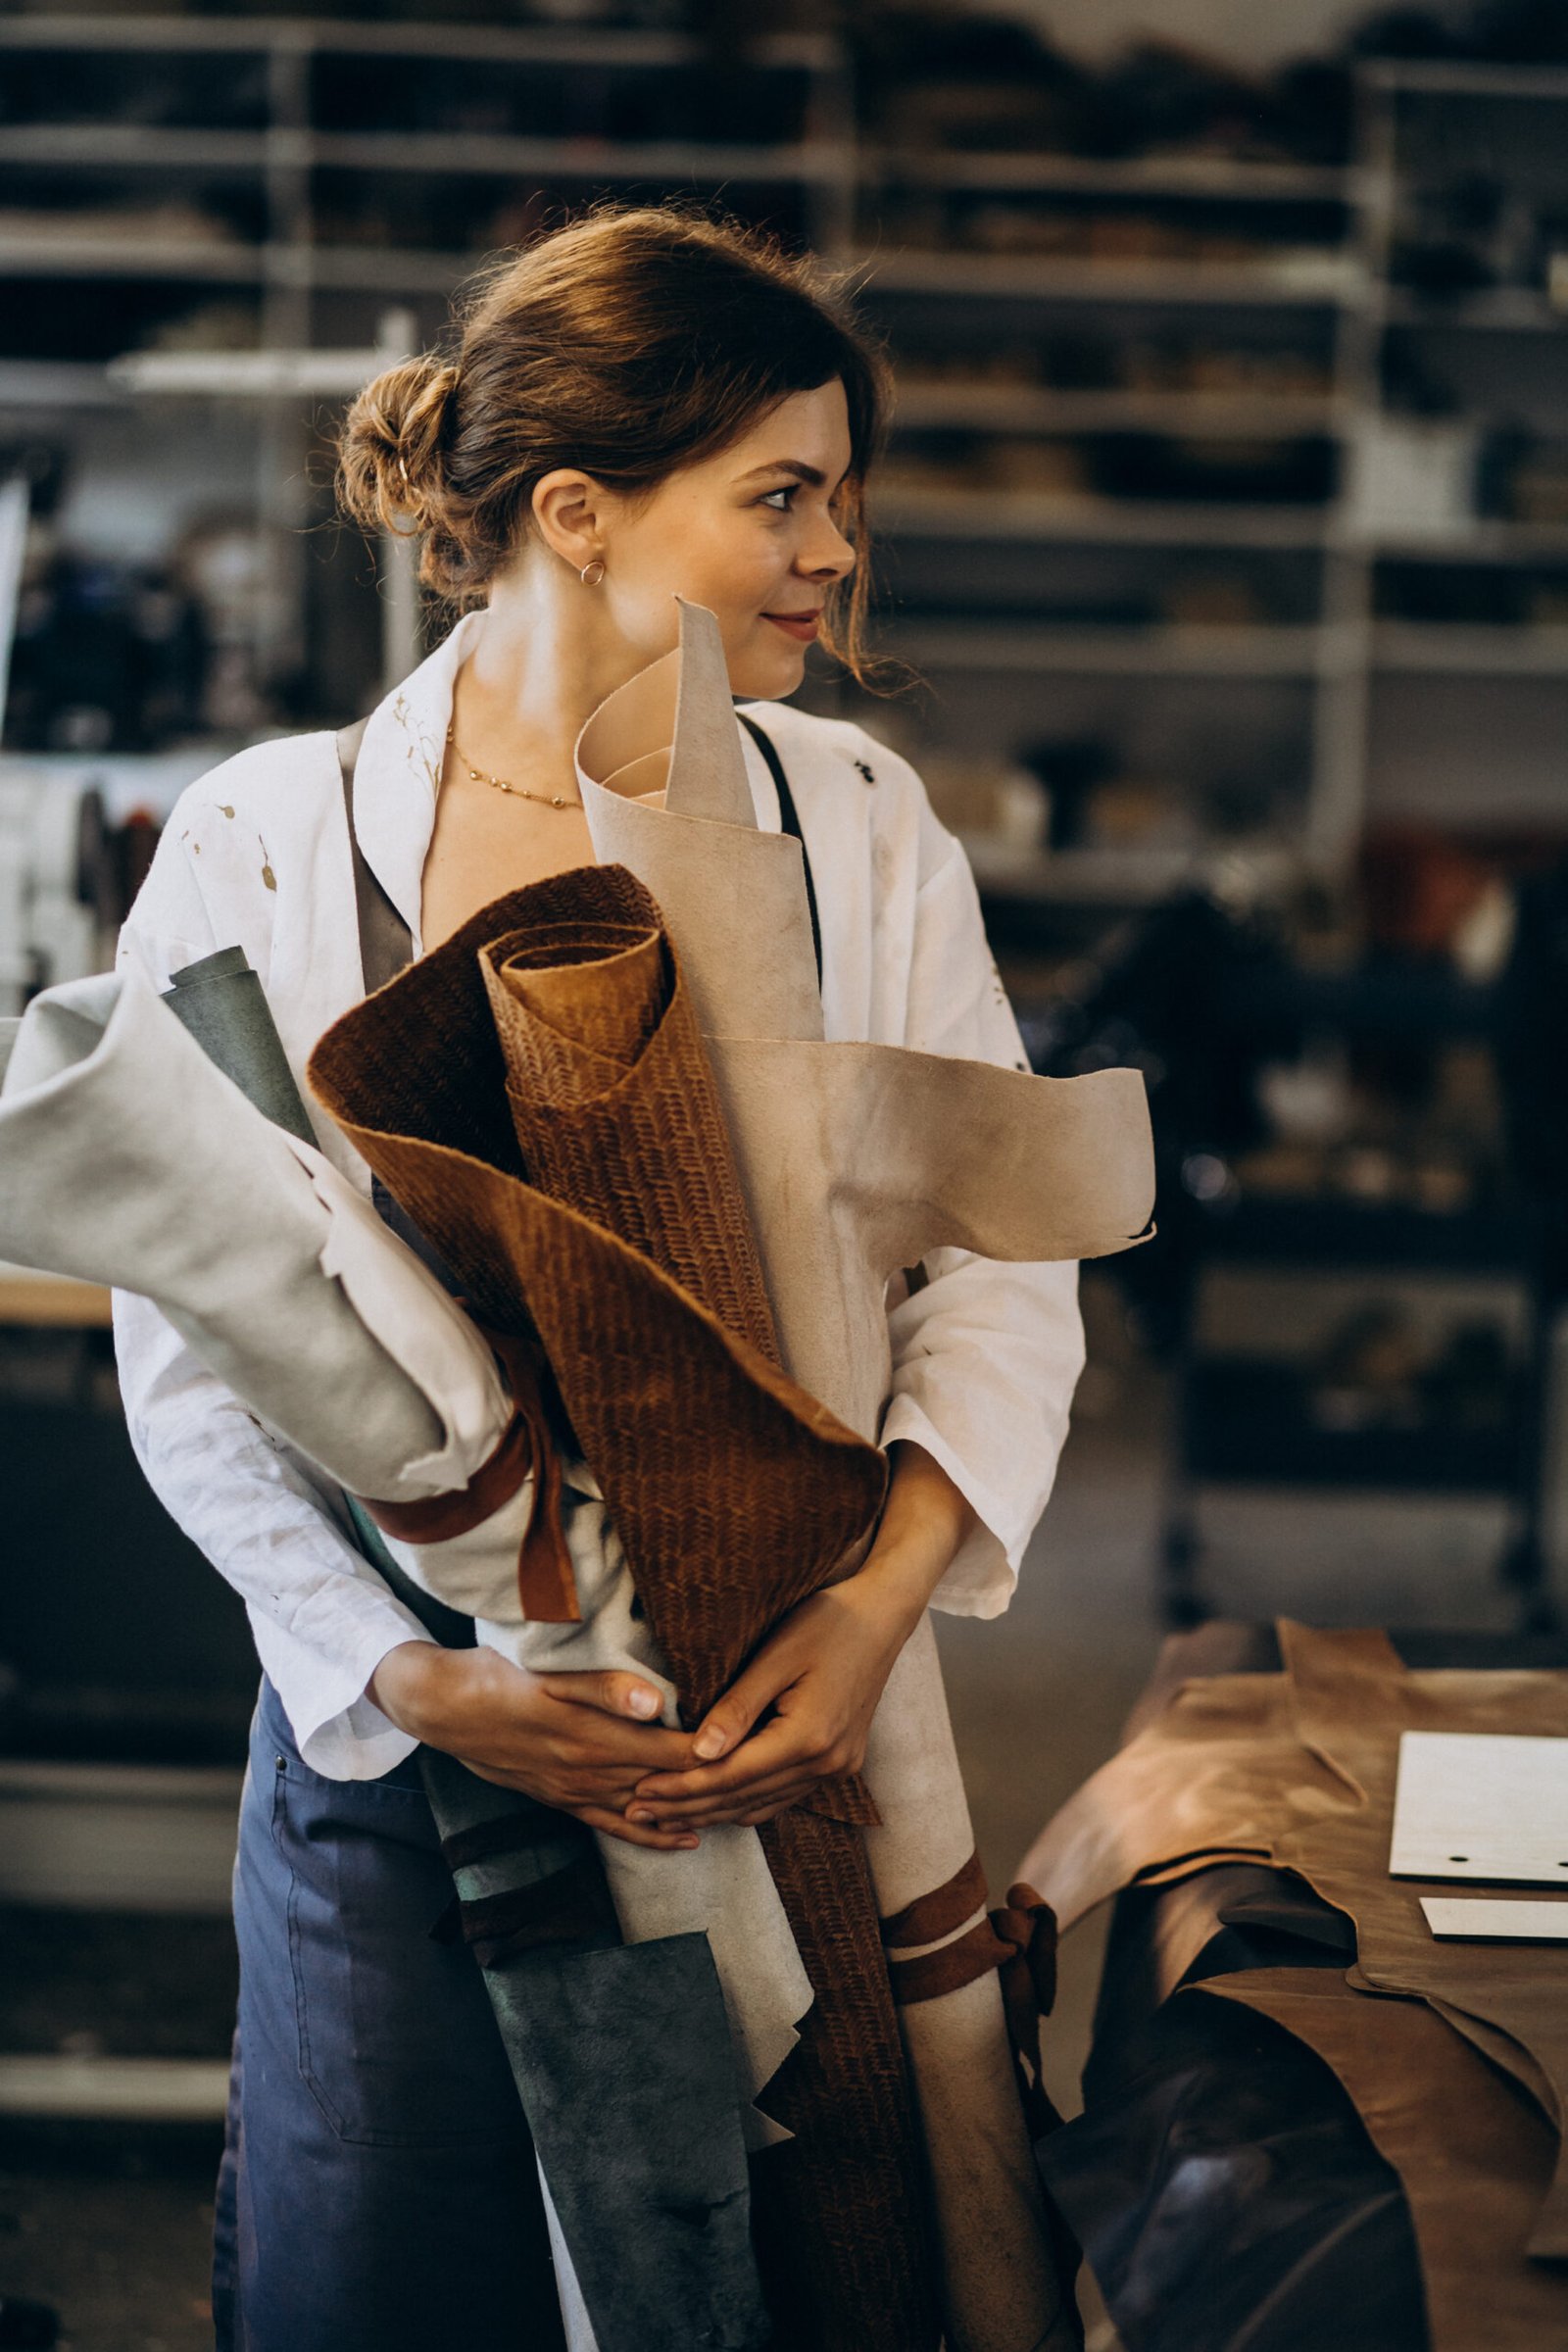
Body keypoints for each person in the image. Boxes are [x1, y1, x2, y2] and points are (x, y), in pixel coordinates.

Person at [113, 203, 1086, 2350]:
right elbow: (189, 1352)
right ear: (575, 512)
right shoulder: (266, 848)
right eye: (780, 495)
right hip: (412, 1761)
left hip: (778, 1724)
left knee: (767, 2275)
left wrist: (863, 1619)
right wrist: (405, 1683)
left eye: (844, 494)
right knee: (394, 2283)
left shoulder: (857, 825)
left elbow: (995, 1272)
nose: (836, 549)